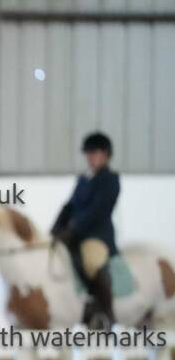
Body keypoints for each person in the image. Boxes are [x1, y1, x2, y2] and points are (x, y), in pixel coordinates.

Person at [52, 132, 121, 329]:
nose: (90, 157)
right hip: (75, 235)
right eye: (88, 153)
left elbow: (98, 210)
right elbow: (70, 205)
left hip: (96, 236)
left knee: (92, 262)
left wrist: (74, 227)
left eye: (94, 153)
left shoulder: (110, 180)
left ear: (106, 155)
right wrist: (56, 227)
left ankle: (107, 313)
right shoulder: (84, 179)